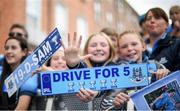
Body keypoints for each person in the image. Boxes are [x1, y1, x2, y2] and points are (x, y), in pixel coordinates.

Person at [100, 30, 170, 110]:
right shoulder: (114, 73)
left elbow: (171, 93)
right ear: (119, 52)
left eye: (134, 44)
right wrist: (116, 104)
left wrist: (167, 76)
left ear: (143, 46)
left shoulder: (157, 66)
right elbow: (105, 106)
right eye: (124, 46)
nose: (129, 48)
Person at [63, 32, 116, 110]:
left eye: (103, 45)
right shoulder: (83, 67)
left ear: (110, 49)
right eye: (93, 45)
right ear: (86, 50)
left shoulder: (117, 67)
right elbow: (80, 70)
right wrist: (72, 65)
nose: (98, 48)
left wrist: (97, 91)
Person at [0, 36, 37, 110]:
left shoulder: (31, 75)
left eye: (13, 48)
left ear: (24, 52)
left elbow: (21, 108)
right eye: (6, 48)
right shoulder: (1, 73)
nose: (8, 51)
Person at [144, 7, 180, 71]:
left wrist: (167, 74)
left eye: (157, 18)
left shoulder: (177, 44)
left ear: (167, 25)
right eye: (148, 19)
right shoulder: (138, 48)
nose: (152, 21)